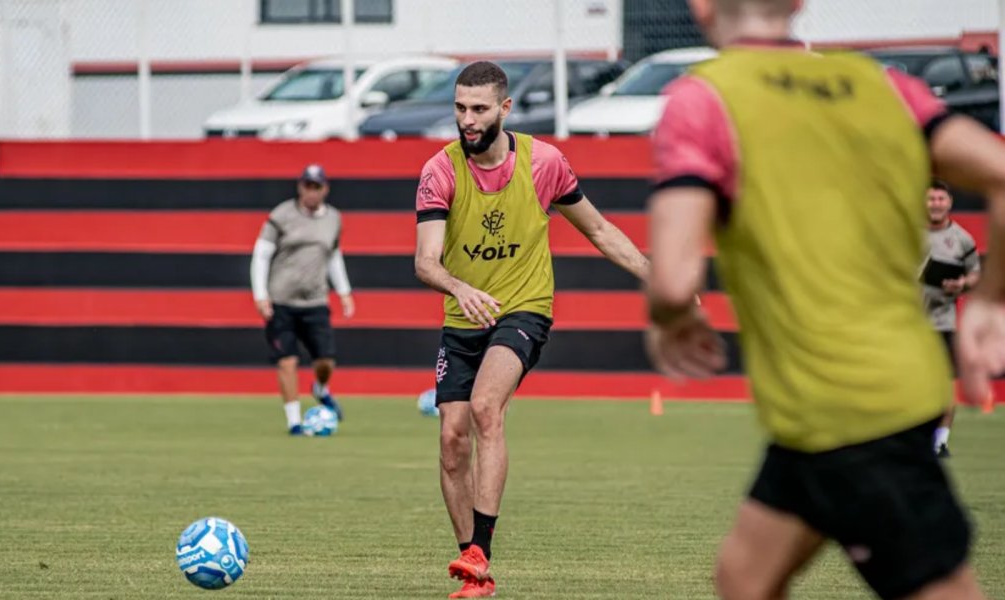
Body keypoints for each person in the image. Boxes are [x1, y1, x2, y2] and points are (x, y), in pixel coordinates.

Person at [643, 0, 1001, 597]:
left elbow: (674, 281)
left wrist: (670, 319)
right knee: (744, 579)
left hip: (851, 411)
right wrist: (991, 300)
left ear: (701, 6)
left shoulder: (702, 99)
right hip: (846, 403)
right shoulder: (882, 87)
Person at [414, 61, 649, 598]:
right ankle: (474, 570)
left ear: (505, 109)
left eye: (478, 109)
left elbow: (599, 228)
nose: (466, 120)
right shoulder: (440, 171)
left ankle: (481, 551)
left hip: (523, 307)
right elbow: (426, 261)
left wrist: (656, 276)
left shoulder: (544, 163)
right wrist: (459, 289)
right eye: (459, 108)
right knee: (451, 441)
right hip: (462, 316)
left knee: (483, 409)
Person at [251, 164, 354, 435]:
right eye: (307, 186)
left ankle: (320, 388)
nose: (311, 192)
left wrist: (343, 291)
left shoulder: (333, 218)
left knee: (325, 361)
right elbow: (261, 254)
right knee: (287, 360)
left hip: (315, 301)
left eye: (317, 186)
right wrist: (261, 295)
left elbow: (333, 255)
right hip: (281, 301)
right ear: (300, 187)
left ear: (325, 189)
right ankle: (294, 421)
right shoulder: (281, 215)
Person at [921, 179, 980, 458]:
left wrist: (962, 284)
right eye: (931, 199)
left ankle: (939, 442)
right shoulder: (907, 233)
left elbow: (975, 274)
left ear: (949, 203)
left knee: (946, 385)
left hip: (943, 321)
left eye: (940, 199)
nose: (935, 204)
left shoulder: (961, 238)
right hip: (906, 323)